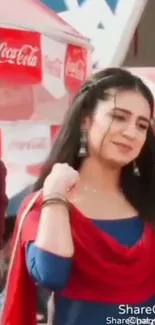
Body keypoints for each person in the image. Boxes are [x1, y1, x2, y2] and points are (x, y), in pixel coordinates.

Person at [2, 67, 155, 325]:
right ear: (85, 120)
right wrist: (54, 197)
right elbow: (51, 273)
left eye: (142, 125)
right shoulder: (46, 202)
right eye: (119, 117)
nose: (131, 132)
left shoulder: (148, 202)